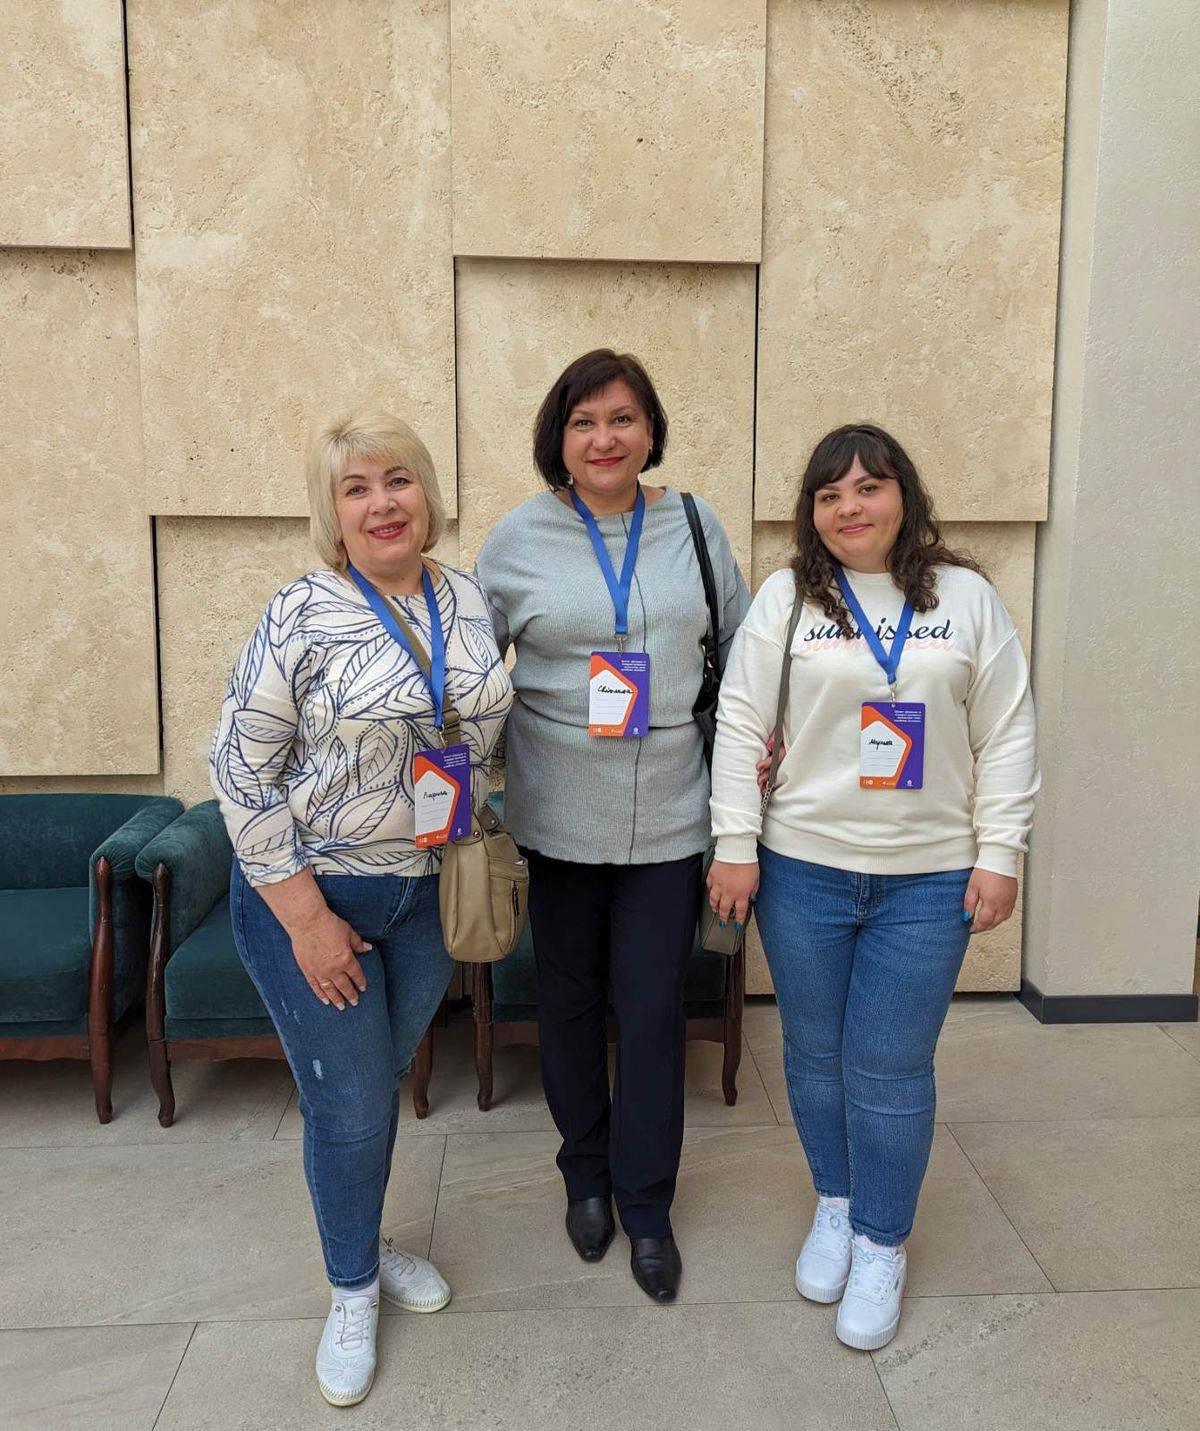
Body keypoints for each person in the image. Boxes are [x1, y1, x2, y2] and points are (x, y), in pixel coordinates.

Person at [707, 423, 1038, 1351]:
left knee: (889, 1065)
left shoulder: (965, 598)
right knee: (814, 1054)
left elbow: (1008, 729)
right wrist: (735, 841)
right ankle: (837, 1204)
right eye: (830, 494)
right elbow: (741, 723)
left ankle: (883, 1241)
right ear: (811, 512)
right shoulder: (788, 599)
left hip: (929, 879)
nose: (850, 506)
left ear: (904, 496)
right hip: (803, 869)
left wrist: (1001, 851)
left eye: (869, 486)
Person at [211, 411, 513, 1407]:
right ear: (332, 512)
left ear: (427, 493)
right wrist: (306, 919)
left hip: (428, 894)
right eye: (357, 488)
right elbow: (239, 770)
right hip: (315, 894)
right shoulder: (301, 612)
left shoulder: (468, 599)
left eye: (398, 480)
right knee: (347, 1104)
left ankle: (366, 1241)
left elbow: (481, 730)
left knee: (374, 1088)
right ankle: (351, 1288)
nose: (383, 503)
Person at [475, 349, 749, 1302]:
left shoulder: (696, 525)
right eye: (584, 421)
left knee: (653, 1008)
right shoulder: (516, 538)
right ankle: (584, 1176)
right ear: (559, 436)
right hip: (557, 815)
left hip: (670, 814)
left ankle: (647, 1204)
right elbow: (471, 670)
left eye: (623, 418)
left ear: (650, 430)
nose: (605, 438)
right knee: (569, 1003)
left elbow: (742, 655)